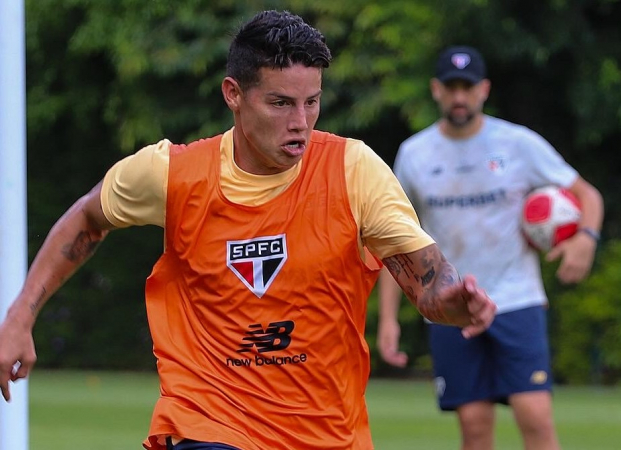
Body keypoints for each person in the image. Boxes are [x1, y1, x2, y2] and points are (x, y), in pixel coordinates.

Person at [0, 12, 497, 450]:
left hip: (326, 429)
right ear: (233, 95)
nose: (300, 123)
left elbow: (428, 282)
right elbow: (89, 217)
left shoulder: (352, 169)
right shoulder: (171, 173)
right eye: (280, 103)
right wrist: (21, 314)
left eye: (312, 102)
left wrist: (455, 302)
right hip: (207, 418)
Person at [377, 45, 604, 450]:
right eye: (451, 88)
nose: (459, 97)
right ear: (436, 90)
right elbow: (396, 241)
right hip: (450, 307)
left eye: (468, 87)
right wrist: (389, 320)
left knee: (535, 417)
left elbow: (588, 195)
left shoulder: (517, 143)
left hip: (516, 299)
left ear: (484, 89)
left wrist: (585, 239)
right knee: (475, 427)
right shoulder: (414, 154)